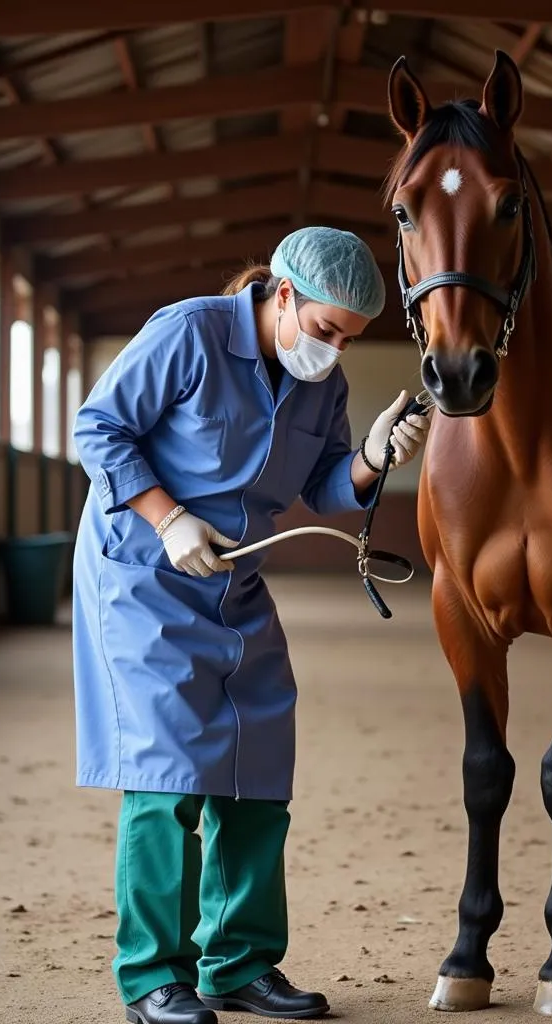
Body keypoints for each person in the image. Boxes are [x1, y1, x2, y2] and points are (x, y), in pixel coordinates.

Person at [71, 226, 431, 1024]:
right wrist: (167, 520)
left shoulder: (321, 385)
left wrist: (374, 455)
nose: (333, 351)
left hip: (234, 584)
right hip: (143, 573)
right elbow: (97, 428)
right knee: (170, 776)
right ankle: (153, 978)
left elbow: (330, 488)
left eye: (349, 340)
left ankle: (238, 963)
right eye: (327, 330)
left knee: (259, 764)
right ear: (284, 295)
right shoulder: (188, 333)